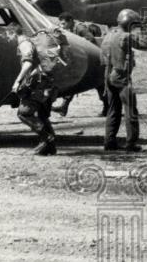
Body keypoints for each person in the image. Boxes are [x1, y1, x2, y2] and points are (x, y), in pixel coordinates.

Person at [101, 8, 147, 152]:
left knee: (112, 110)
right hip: (121, 76)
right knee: (130, 110)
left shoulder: (108, 35)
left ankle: (109, 142)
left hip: (108, 75)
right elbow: (145, 45)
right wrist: (143, 28)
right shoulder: (126, 36)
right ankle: (131, 143)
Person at [9, 21, 58, 156]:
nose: (8, 39)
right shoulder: (30, 42)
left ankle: (47, 139)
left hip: (36, 85)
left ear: (12, 32)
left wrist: (17, 81)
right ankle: (50, 147)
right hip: (44, 82)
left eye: (8, 35)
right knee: (41, 114)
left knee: (24, 113)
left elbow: (28, 63)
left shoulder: (24, 44)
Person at [52, 12, 106, 117]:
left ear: (71, 21)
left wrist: (77, 44)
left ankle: (108, 107)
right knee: (75, 81)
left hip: (94, 59)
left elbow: (90, 38)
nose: (62, 26)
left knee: (100, 86)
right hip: (84, 60)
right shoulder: (69, 29)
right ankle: (64, 106)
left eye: (63, 23)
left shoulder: (80, 28)